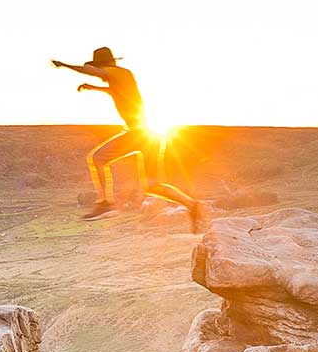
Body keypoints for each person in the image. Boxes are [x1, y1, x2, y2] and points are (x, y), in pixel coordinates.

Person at [51, 47, 209, 230]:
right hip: (150, 135)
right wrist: (93, 87)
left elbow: (92, 71)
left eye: (99, 70)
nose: (100, 75)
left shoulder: (116, 72)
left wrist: (64, 65)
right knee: (152, 186)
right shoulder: (121, 78)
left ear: (103, 65)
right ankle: (192, 205)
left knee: (98, 158)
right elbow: (113, 91)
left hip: (138, 133)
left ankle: (105, 203)